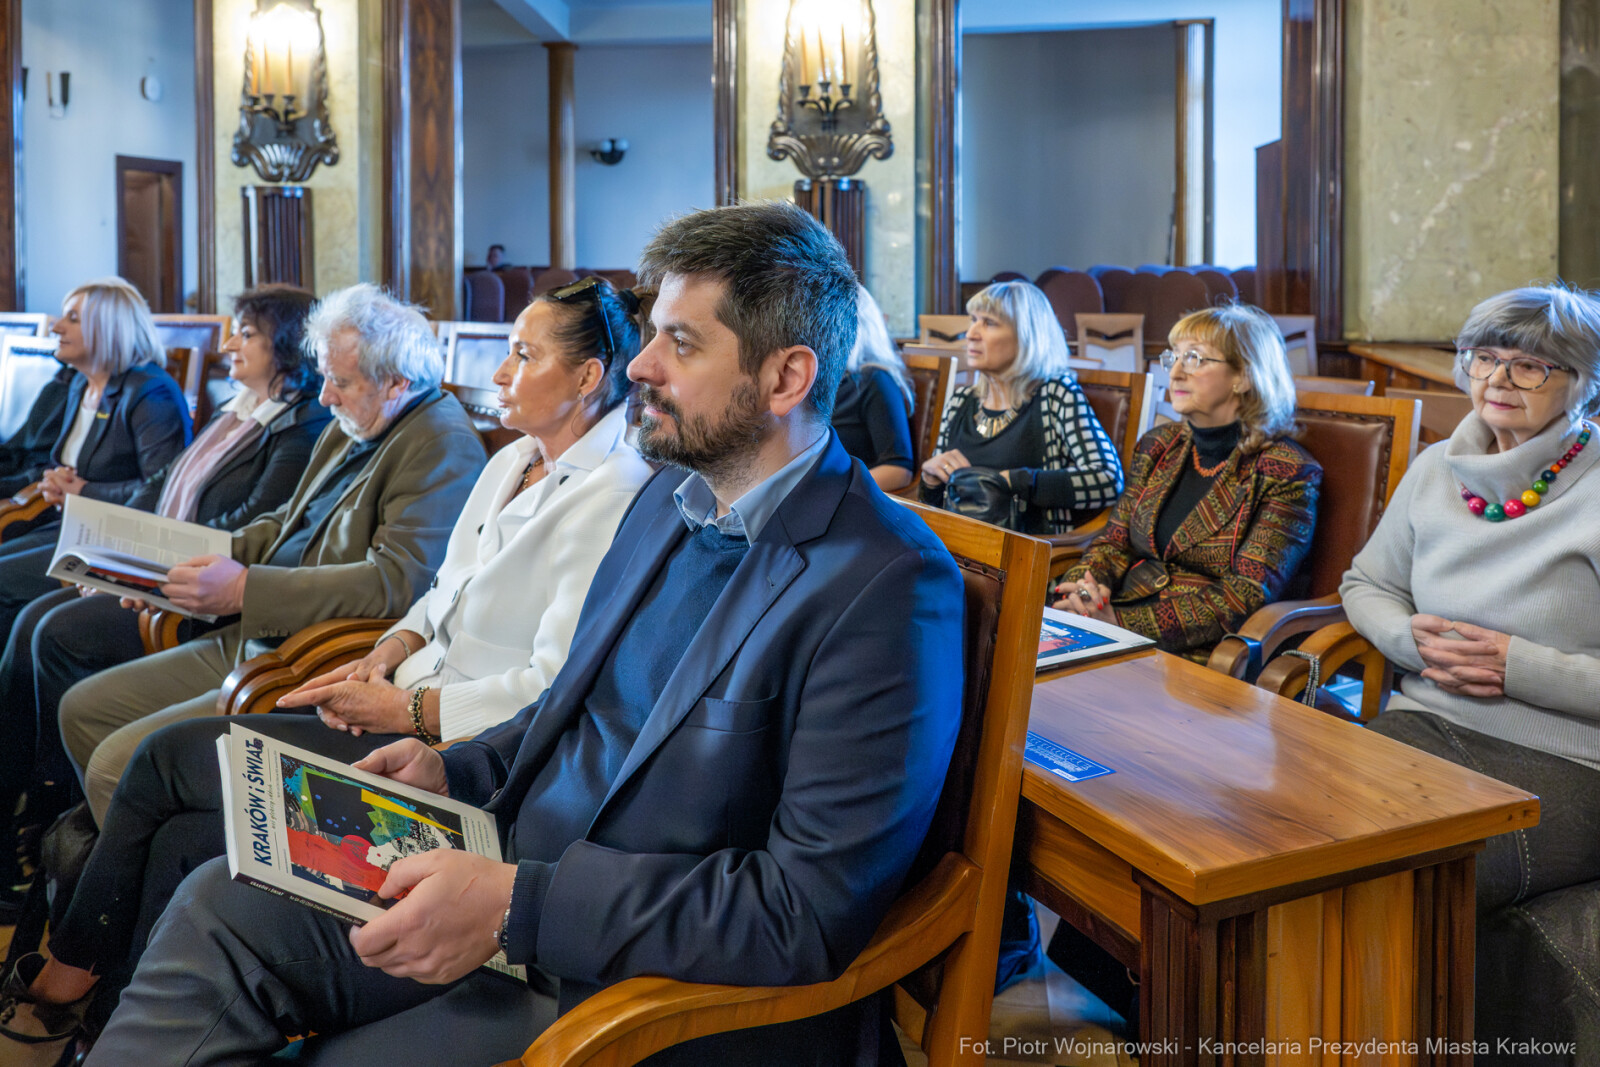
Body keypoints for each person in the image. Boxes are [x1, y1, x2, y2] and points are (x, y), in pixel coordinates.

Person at [85, 200, 964, 1067]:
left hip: (639, 979)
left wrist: (521, 905)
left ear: (785, 379)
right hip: (506, 868)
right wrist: (457, 768)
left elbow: (801, 909)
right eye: (651, 335)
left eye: (682, 343)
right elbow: (571, 706)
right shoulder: (670, 499)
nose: (641, 365)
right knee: (217, 905)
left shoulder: (884, 583)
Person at [0, 279, 654, 1058]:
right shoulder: (514, 457)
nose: (500, 372)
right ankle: (106, 1008)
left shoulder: (615, 490)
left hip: (455, 744)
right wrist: (387, 651)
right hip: (398, 690)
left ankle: (80, 991)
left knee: (169, 769)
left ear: (587, 376)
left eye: (523, 354)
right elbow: (437, 591)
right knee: (175, 817)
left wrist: (410, 711)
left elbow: (552, 686)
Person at [56, 283, 487, 822]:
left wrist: (244, 589)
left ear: (397, 382)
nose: (324, 397)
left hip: (303, 655)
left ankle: (137, 865)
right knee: (81, 710)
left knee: (113, 763)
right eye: (326, 377)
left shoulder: (441, 443)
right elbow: (284, 521)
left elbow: (398, 581)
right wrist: (171, 569)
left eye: (340, 381)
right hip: (255, 633)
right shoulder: (357, 420)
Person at [0, 285, 329, 898]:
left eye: (246, 334)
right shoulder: (239, 408)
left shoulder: (301, 424)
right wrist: (115, 549)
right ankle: (35, 803)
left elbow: (252, 525)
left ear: (285, 346)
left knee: (53, 633)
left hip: (204, 594)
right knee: (37, 621)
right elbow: (163, 483)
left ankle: (49, 807)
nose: (229, 343)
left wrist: (146, 568)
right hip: (169, 565)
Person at [1339, 285, 1600, 1047]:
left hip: (1565, 763)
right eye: (1484, 357)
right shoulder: (1435, 468)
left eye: (1530, 365)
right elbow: (1366, 582)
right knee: (1292, 831)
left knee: (1399, 873)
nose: (1498, 379)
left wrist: (1520, 666)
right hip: (1424, 724)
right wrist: (1408, 640)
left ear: (1583, 380)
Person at [1052, 303, 1322, 661]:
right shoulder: (1158, 445)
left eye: (1194, 359)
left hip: (1203, 650)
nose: (1176, 373)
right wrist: (1085, 592)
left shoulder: (1285, 471)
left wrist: (1121, 623)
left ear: (1243, 376)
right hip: (1112, 617)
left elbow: (1244, 595)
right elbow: (1114, 542)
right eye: (1174, 357)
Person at [0, 279, 191, 645]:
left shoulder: (150, 390)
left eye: (72, 319)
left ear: (109, 328)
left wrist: (85, 491)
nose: (57, 327)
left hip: (118, 536)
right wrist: (56, 483)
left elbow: (165, 488)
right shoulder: (80, 383)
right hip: (67, 524)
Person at [918, 279, 1123, 534]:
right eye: (973, 320)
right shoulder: (960, 400)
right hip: (957, 545)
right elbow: (935, 507)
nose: (970, 334)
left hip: (1025, 552)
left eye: (989, 323)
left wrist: (1016, 482)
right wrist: (930, 480)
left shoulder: (1055, 394)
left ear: (1026, 335)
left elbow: (1108, 479)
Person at [832, 284, 915, 491]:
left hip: (849, 500)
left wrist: (835, 492)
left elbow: (899, 470)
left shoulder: (875, 380)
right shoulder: (815, 380)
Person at [0, 361, 73, 499]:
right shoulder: (58, 382)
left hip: (38, 476)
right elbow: (19, 444)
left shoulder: (81, 390)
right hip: (20, 461)